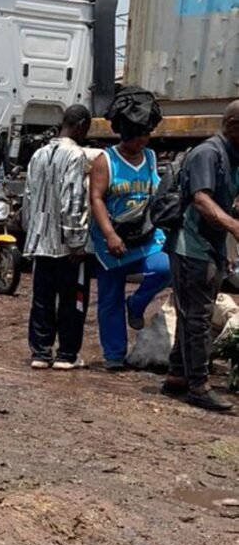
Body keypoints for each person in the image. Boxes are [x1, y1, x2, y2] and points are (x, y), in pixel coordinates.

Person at [162, 100, 239, 411]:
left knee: (191, 313)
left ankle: (176, 375)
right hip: (191, 247)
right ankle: (199, 386)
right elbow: (202, 201)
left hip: (209, 247)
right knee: (198, 318)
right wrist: (234, 226)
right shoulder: (208, 153)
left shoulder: (231, 156)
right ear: (233, 126)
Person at [89, 95, 171, 371]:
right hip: (111, 239)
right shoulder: (105, 160)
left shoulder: (150, 157)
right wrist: (110, 234)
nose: (143, 141)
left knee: (165, 268)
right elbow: (96, 198)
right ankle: (114, 355)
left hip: (145, 235)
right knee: (109, 297)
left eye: (146, 135)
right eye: (138, 136)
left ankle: (136, 304)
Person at [23, 106, 98, 370]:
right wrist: (77, 241)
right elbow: (73, 199)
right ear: (81, 125)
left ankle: (41, 353)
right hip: (67, 245)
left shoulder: (38, 155)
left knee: (42, 299)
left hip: (40, 242)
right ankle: (67, 354)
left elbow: (28, 197)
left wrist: (31, 234)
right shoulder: (76, 155)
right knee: (72, 300)